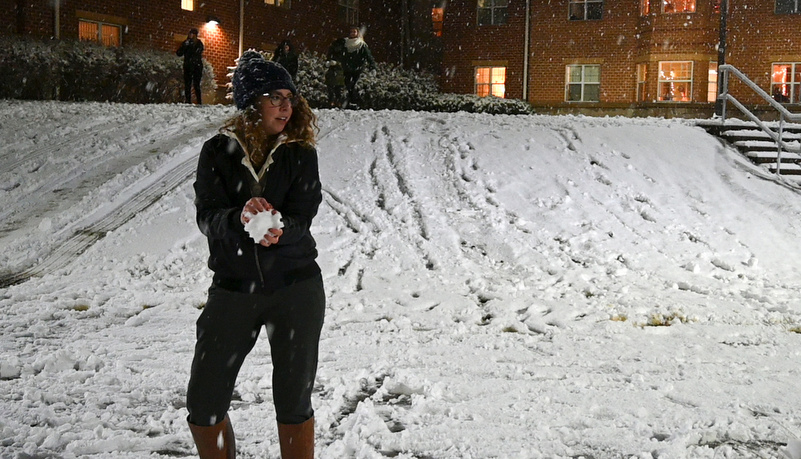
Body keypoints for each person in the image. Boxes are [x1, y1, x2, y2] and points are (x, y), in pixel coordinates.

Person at [186, 50, 325, 459]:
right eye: (275, 97)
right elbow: (207, 216)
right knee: (204, 401)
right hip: (233, 288)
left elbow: (305, 214)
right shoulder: (217, 151)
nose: (286, 106)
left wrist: (280, 229)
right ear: (252, 103)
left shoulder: (300, 151)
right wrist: (239, 217)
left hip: (296, 287)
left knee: (293, 401)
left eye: (290, 97)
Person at [340, 26, 376, 108]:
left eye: (354, 32)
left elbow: (368, 56)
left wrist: (372, 66)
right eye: (351, 31)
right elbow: (339, 54)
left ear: (357, 33)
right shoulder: (345, 43)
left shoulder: (361, 44)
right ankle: (350, 102)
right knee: (348, 85)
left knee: (354, 85)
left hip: (358, 69)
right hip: (347, 69)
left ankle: (355, 102)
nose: (353, 33)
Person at [176, 28, 205, 104]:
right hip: (188, 66)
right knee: (187, 84)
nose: (191, 35)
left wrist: (191, 47)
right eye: (190, 34)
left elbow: (197, 52)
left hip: (197, 66)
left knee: (196, 84)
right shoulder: (186, 43)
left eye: (192, 34)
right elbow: (179, 53)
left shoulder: (199, 43)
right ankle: (188, 101)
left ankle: (199, 101)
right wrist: (184, 46)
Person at [325, 38, 346, 108]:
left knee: (335, 88)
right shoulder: (336, 50)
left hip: (337, 72)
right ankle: (336, 102)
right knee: (336, 88)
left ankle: (334, 102)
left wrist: (336, 63)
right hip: (334, 72)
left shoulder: (341, 50)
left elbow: (345, 63)